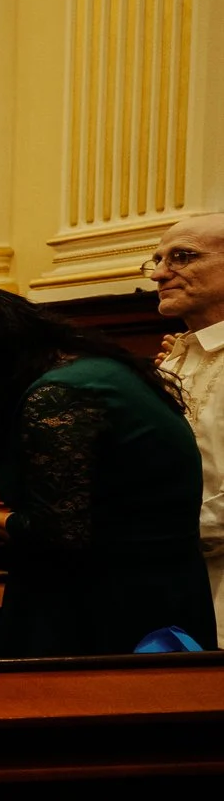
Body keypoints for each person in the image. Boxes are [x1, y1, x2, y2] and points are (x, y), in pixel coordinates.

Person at [0, 288, 215, 655]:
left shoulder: (58, 393)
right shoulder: (95, 369)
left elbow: (60, 534)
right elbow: (104, 510)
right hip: (157, 587)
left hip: (109, 602)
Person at [150, 213, 224, 637]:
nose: (161, 273)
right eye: (158, 259)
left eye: (183, 257)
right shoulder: (178, 355)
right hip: (174, 574)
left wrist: (149, 532)